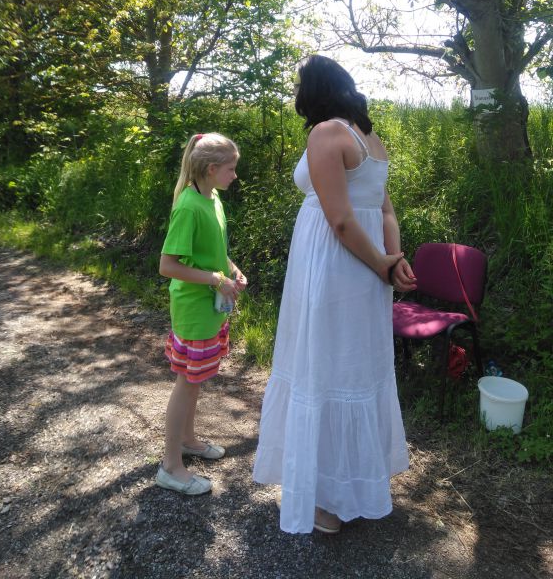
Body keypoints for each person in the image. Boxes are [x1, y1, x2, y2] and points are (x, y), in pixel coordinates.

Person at [253, 55, 416, 534]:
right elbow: (385, 212)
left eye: (299, 85)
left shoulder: (326, 133)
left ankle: (326, 502)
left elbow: (340, 221)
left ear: (314, 90)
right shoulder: (371, 139)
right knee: (353, 367)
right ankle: (354, 487)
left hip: (334, 266)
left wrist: (384, 263)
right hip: (365, 266)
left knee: (323, 366)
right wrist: (392, 259)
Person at [157, 132, 247, 496]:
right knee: (187, 382)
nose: (235, 176)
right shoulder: (189, 206)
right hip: (193, 310)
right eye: (231, 169)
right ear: (211, 169)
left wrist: (232, 270)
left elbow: (214, 252)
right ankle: (170, 466)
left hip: (210, 308)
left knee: (195, 380)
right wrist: (215, 279)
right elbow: (167, 265)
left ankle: (189, 440)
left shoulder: (213, 199)